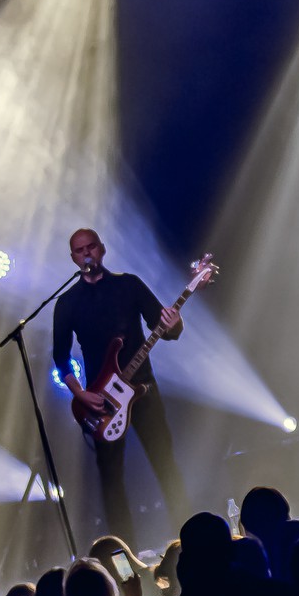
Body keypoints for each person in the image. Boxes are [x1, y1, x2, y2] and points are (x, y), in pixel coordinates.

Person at [52, 227, 188, 544]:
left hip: (143, 390)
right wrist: (80, 393)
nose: (87, 253)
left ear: (102, 249)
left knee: (165, 464)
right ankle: (126, 559)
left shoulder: (129, 285)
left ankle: (193, 538)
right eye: (79, 250)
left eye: (91, 247)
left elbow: (166, 329)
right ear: (73, 258)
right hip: (102, 402)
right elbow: (60, 356)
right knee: (111, 481)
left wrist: (175, 323)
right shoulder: (67, 302)